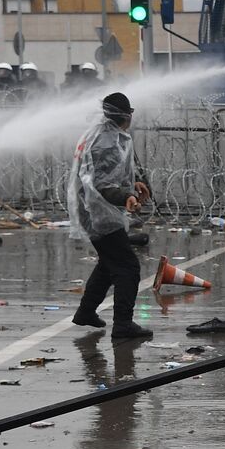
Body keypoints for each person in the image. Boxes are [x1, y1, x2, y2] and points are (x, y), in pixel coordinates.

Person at [68, 92, 153, 341]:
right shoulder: (107, 142)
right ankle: (123, 325)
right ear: (126, 115)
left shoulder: (102, 133)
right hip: (98, 213)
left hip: (93, 209)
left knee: (109, 263)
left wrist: (132, 184)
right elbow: (103, 184)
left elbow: (106, 174)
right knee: (128, 267)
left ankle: (86, 312)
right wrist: (125, 197)